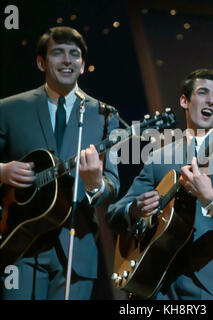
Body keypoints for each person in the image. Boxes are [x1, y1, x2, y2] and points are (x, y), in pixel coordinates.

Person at [107, 69, 213, 300]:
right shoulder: (159, 157)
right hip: (158, 282)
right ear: (184, 101)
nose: (210, 100)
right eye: (203, 92)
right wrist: (135, 209)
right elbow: (114, 213)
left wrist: (210, 197)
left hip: (210, 282)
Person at [0, 26, 119, 299]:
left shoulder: (104, 115)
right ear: (41, 62)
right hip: (19, 248)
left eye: (74, 54)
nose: (67, 60)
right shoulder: (9, 109)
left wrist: (95, 185)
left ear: (83, 64)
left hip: (76, 253)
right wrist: (2, 171)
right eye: (58, 53)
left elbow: (113, 183)